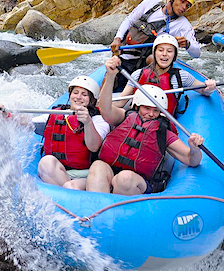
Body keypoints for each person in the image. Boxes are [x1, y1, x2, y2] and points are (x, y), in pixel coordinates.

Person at [86, 58, 205, 195]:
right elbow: (105, 108)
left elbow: (191, 160)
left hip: (137, 182)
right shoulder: (124, 117)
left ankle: (116, 213)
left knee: (125, 178)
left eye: (156, 110)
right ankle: (97, 211)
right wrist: (111, 76)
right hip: (111, 170)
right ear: (137, 105)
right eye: (147, 109)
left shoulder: (162, 131)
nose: (151, 114)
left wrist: (194, 148)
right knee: (98, 166)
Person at [109, 0, 201, 91]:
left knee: (154, 59)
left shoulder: (183, 24)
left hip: (147, 61)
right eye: (182, 2)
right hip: (127, 53)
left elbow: (197, 53)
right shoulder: (151, 2)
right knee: (111, 77)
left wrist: (187, 44)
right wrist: (117, 38)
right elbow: (129, 20)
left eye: (187, 5)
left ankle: (151, 90)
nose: (184, 7)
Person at [113, 33, 216, 117]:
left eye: (169, 51)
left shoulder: (181, 76)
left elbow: (203, 90)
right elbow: (121, 101)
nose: (164, 54)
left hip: (161, 127)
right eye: (160, 50)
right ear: (154, 53)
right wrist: (101, 105)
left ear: (174, 56)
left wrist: (209, 87)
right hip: (137, 122)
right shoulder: (138, 74)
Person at [36, 75, 110, 190]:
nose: (79, 97)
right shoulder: (55, 113)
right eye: (75, 93)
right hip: (60, 170)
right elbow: (26, 123)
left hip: (87, 174)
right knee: (46, 162)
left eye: (84, 95)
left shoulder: (98, 120)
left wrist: (88, 123)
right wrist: (7, 115)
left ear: (92, 99)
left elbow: (94, 146)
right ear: (70, 95)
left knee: (70, 186)